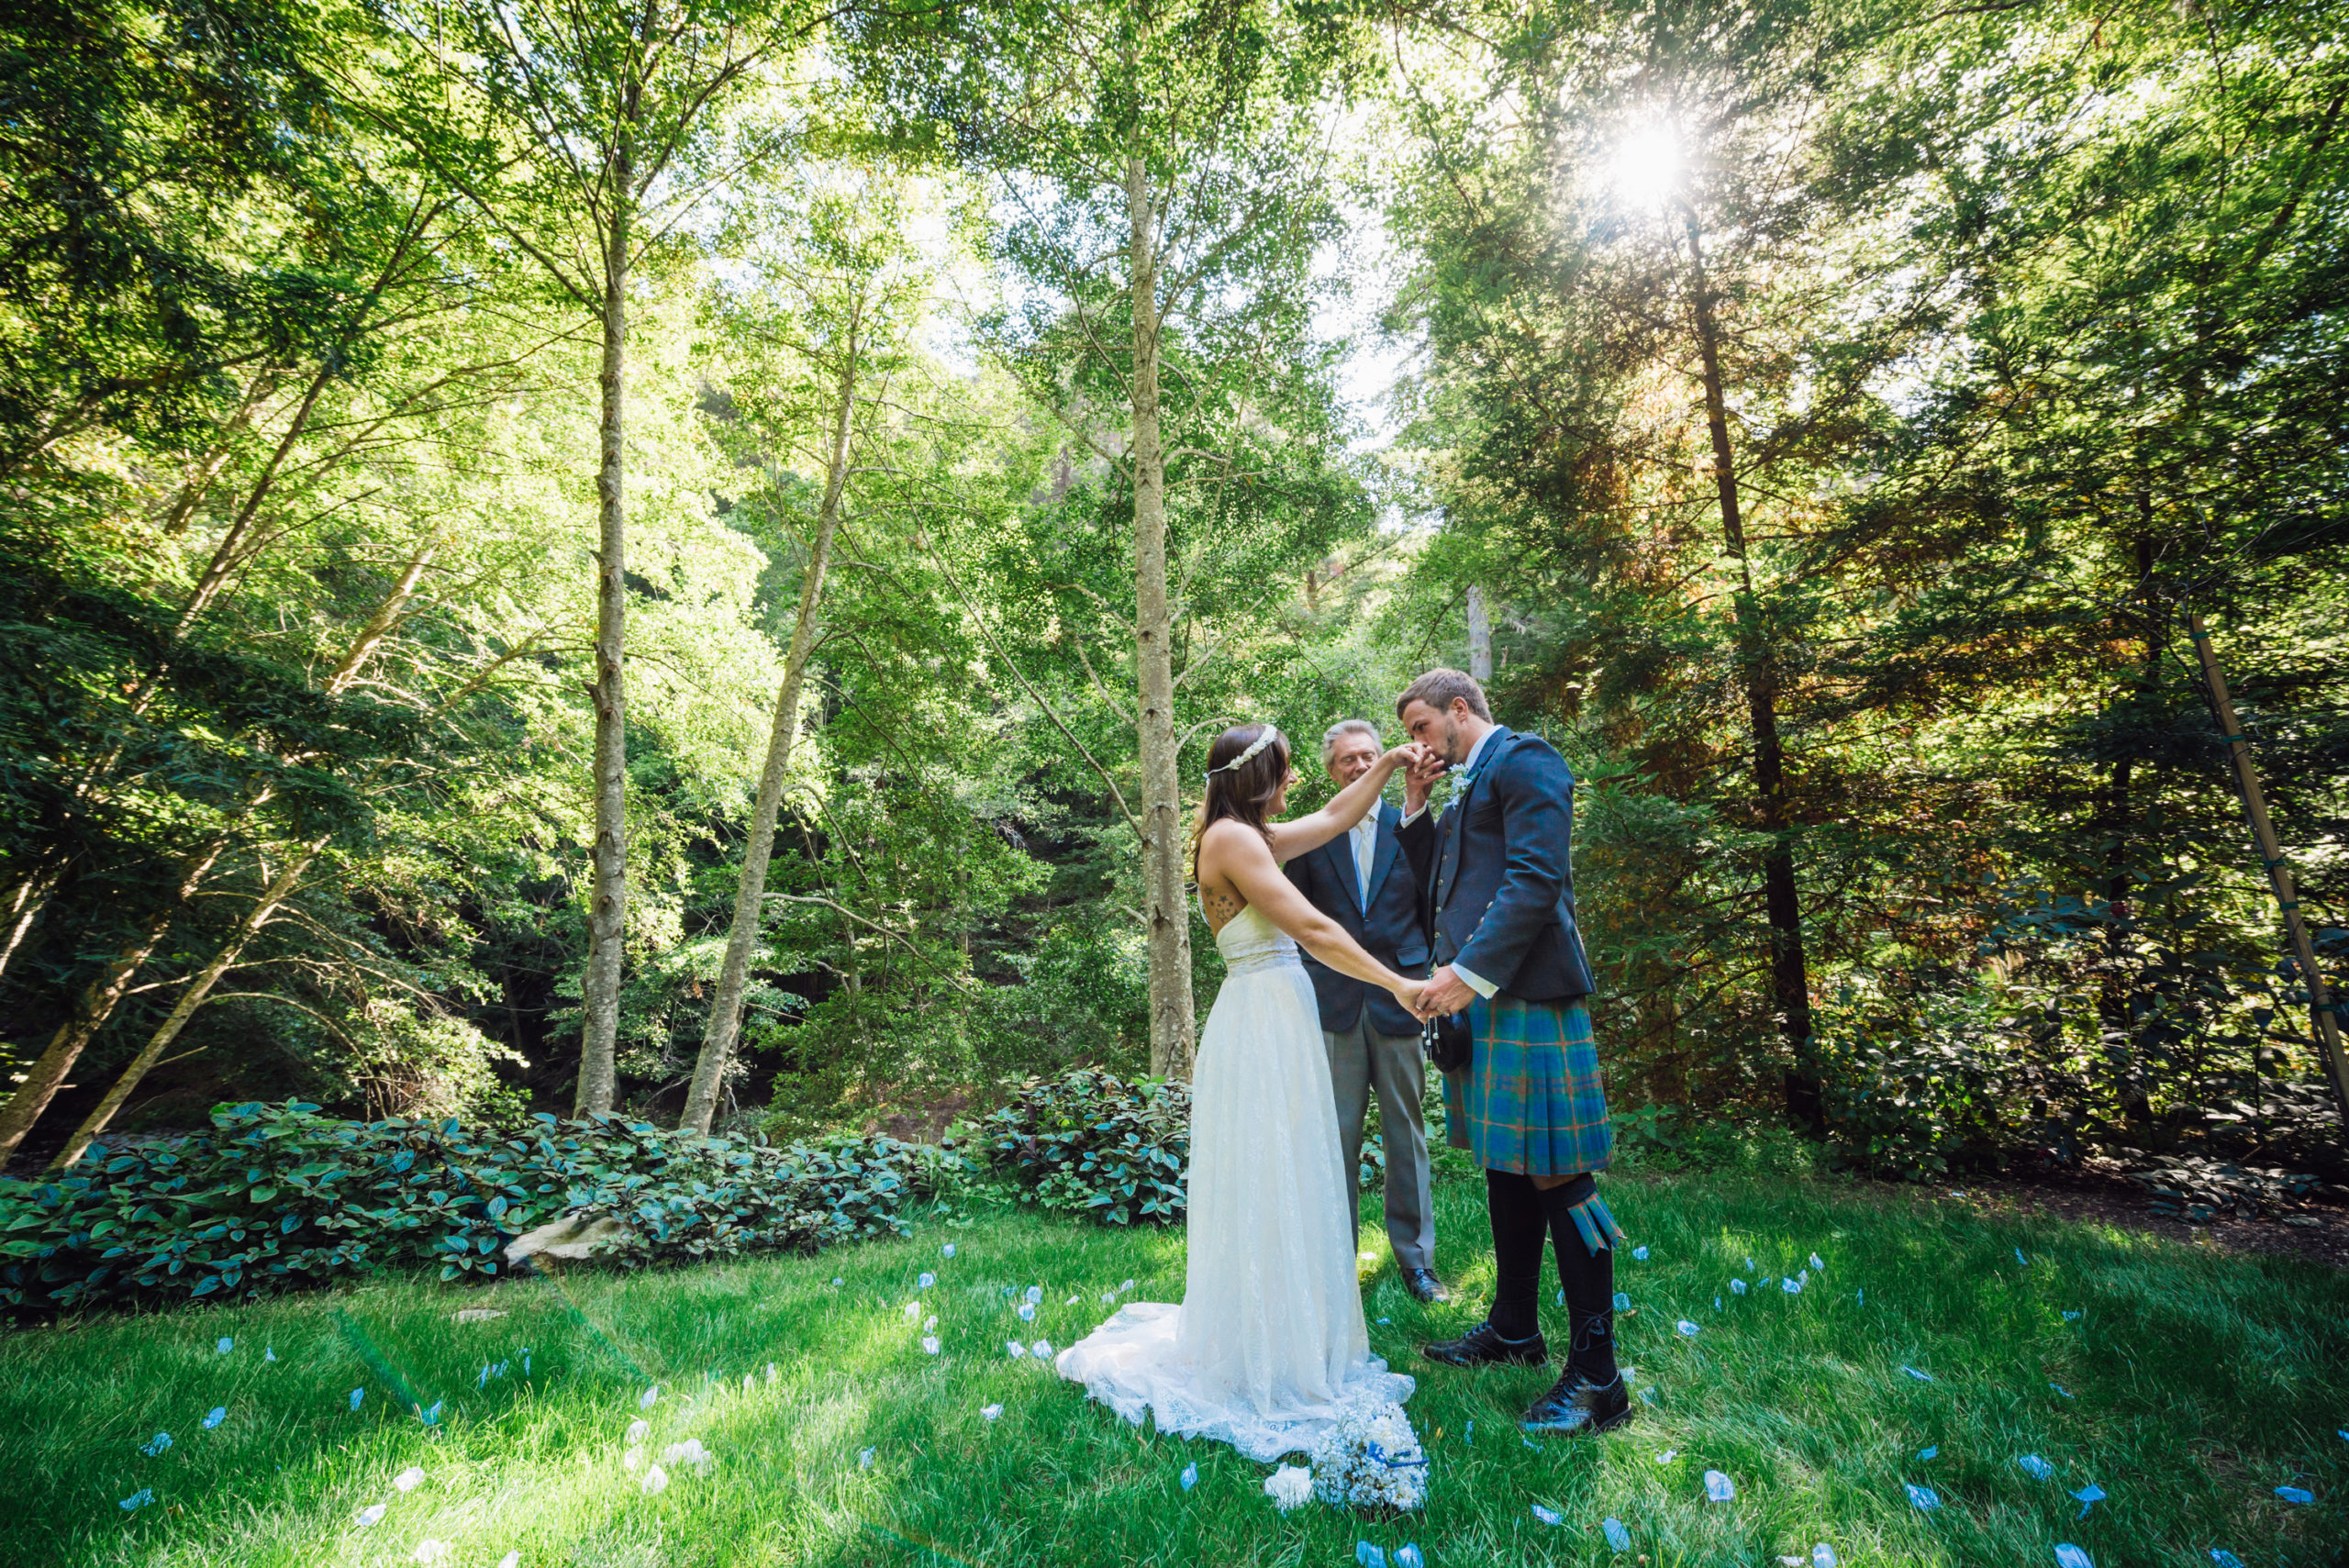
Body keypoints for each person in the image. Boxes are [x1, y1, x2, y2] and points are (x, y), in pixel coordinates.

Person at [1056, 723, 1427, 1461]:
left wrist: (1385, 765)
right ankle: (1265, 1349)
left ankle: (1292, 1331)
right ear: (1259, 778)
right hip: (1260, 1022)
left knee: (1294, 1173)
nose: (1293, 787)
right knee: (1270, 1177)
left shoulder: (1249, 832)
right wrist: (1399, 983)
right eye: (1284, 774)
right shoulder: (1230, 841)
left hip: (1279, 1017)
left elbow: (1333, 819)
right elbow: (1315, 928)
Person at [1394, 668, 1631, 1437]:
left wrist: (1466, 974)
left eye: (1424, 727)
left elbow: (1536, 878)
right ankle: (1515, 1329)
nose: (1418, 744)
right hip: (1488, 999)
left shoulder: (1528, 760)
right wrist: (1418, 803)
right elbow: (1445, 887)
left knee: (1559, 1171)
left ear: (1460, 710)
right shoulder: (1469, 784)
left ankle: (1600, 1380)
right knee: (1507, 1163)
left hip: (1525, 992)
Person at [1282, 719, 1449, 1304]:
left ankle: (1418, 1262)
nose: (1359, 766)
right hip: (1333, 1005)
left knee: (1407, 1134)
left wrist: (1426, 974)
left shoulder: (1411, 825)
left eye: (1369, 756)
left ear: (1387, 760)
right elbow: (1292, 917)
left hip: (1403, 999)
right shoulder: (1311, 834)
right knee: (1337, 1140)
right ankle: (1336, 1262)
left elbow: (1435, 899)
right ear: (1332, 770)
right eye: (1349, 760)